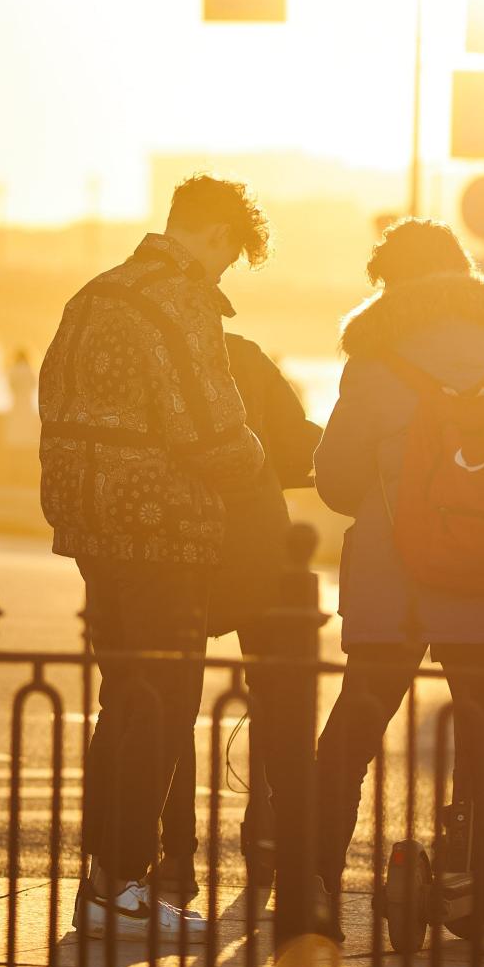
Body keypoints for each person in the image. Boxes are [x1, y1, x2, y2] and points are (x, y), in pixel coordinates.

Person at [311, 219, 484, 956]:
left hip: (398, 580)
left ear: (391, 286)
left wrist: (396, 487)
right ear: (462, 274)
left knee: (351, 735)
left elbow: (333, 476)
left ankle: (316, 891)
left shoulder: (374, 363)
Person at [39, 174, 269, 942]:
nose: (223, 271)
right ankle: (124, 880)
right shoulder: (180, 301)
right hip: (163, 530)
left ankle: (101, 879)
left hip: (90, 526)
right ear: (209, 236)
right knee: (165, 703)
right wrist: (257, 464)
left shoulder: (95, 294)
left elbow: (52, 400)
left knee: (124, 696)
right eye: (227, 255)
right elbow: (209, 428)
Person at [157, 331, 322, 930]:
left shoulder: (155, 352)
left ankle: (172, 858)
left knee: (170, 704)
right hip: (257, 548)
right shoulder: (246, 355)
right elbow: (297, 444)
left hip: (179, 547)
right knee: (279, 704)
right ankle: (268, 842)